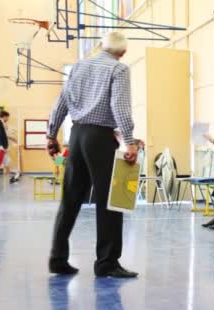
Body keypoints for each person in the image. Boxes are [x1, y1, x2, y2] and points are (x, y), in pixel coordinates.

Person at [46, 31, 138, 278]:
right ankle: (106, 262)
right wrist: (129, 142)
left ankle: (57, 259)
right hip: (100, 139)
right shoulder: (118, 70)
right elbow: (119, 106)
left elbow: (61, 103)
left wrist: (51, 134)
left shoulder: (78, 66)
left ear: (101, 46)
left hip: (77, 136)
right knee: (110, 200)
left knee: (71, 198)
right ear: (123, 52)